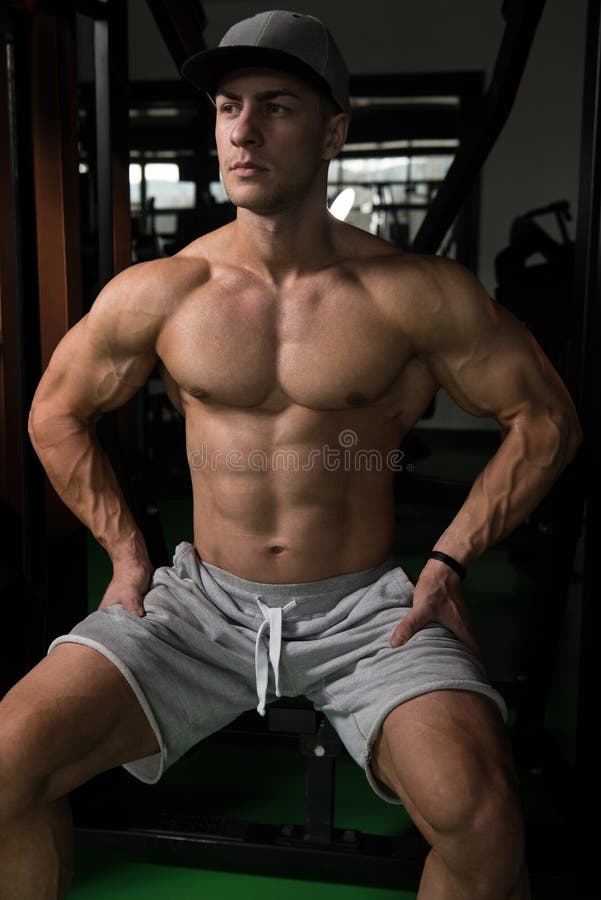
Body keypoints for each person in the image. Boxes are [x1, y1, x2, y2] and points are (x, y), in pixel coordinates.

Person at [0, 9, 581, 900]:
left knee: (482, 817)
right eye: (229, 106)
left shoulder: (414, 294)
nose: (242, 128)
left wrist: (447, 562)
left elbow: (545, 418)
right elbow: (53, 412)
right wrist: (124, 555)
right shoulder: (162, 290)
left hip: (366, 616)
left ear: (334, 131)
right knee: (8, 761)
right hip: (198, 608)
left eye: (275, 105)